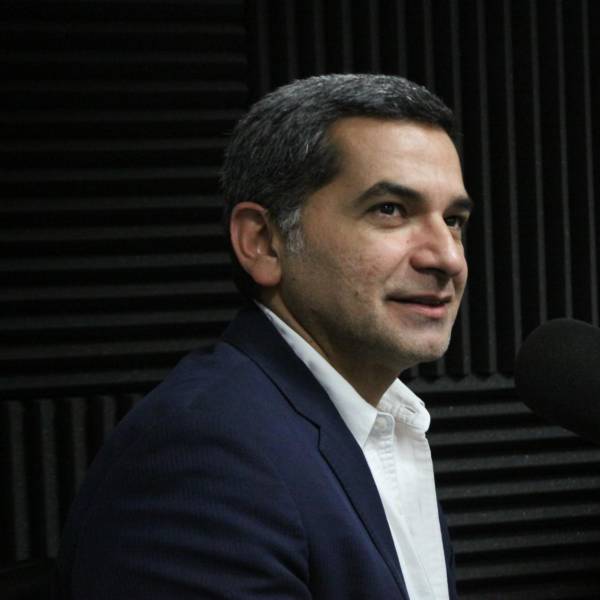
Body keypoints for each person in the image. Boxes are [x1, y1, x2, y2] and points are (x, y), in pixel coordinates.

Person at [57, 73, 471, 599]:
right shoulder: (205, 455)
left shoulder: (381, 424)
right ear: (263, 242)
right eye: (390, 210)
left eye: (453, 219)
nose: (447, 257)